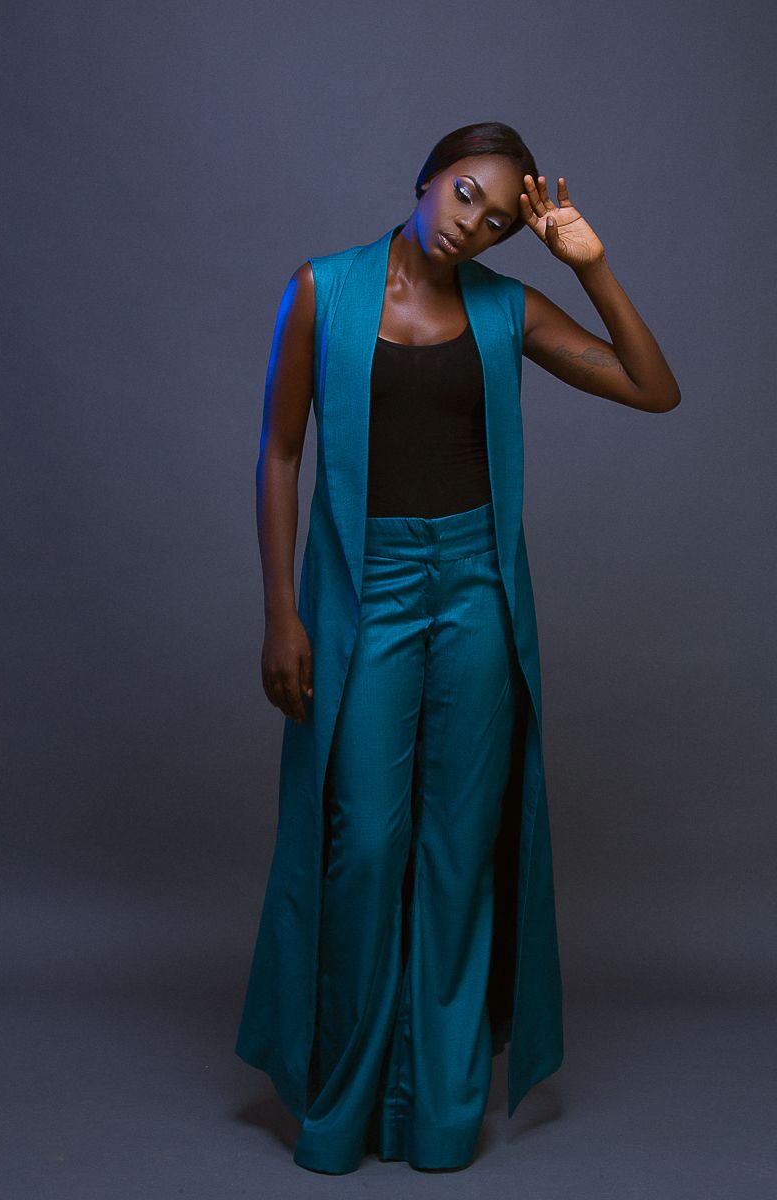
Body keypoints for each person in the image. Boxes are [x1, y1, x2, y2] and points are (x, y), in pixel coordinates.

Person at [236, 121, 681, 1175]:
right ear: (428, 178)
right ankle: (345, 1107)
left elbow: (651, 387)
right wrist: (281, 612)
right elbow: (281, 452)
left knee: (456, 852)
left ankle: (439, 1112)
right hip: (368, 591)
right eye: (463, 195)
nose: (470, 224)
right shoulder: (322, 291)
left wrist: (591, 266)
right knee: (366, 845)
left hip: (476, 590)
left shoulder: (505, 309)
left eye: (494, 221)